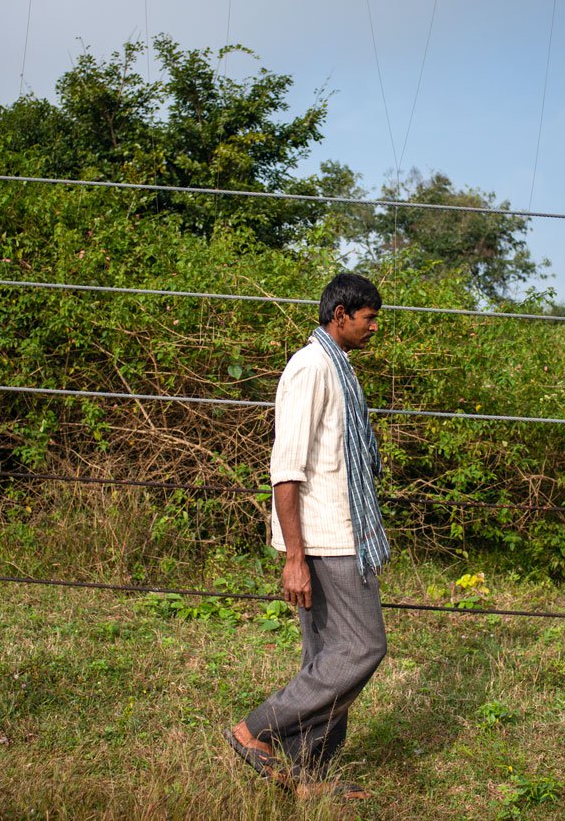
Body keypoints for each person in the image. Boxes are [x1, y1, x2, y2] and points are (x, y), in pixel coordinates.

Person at [224, 272, 389, 801]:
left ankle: (310, 777)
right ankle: (256, 730)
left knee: (324, 659)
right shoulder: (310, 368)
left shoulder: (339, 370)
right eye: (368, 319)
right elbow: (285, 470)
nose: (374, 328)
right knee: (364, 647)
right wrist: (295, 557)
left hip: (343, 532)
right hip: (325, 540)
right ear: (340, 314)